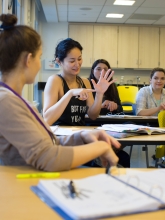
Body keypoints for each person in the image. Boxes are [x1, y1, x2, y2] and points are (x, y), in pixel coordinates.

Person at [0, 13, 121, 171]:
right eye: (39, 57)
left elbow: (50, 144)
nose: (76, 64)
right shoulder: (6, 101)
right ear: (28, 60)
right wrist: (100, 148)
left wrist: (82, 137)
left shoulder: (15, 99)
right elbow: (48, 158)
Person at [43, 38, 116, 126]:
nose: (77, 64)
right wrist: (70, 93)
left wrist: (99, 94)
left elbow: (93, 115)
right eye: (72, 61)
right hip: (61, 136)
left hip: (79, 133)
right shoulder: (55, 81)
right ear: (59, 61)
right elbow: (47, 119)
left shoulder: (85, 82)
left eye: (79, 59)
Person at [88, 59, 130, 168]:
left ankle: (106, 151)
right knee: (124, 157)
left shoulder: (112, 86)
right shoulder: (87, 84)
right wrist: (101, 105)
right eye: (98, 69)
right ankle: (104, 153)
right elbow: (86, 111)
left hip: (110, 124)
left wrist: (115, 106)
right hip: (93, 123)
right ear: (93, 71)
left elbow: (121, 109)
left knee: (129, 125)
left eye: (105, 70)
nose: (102, 72)